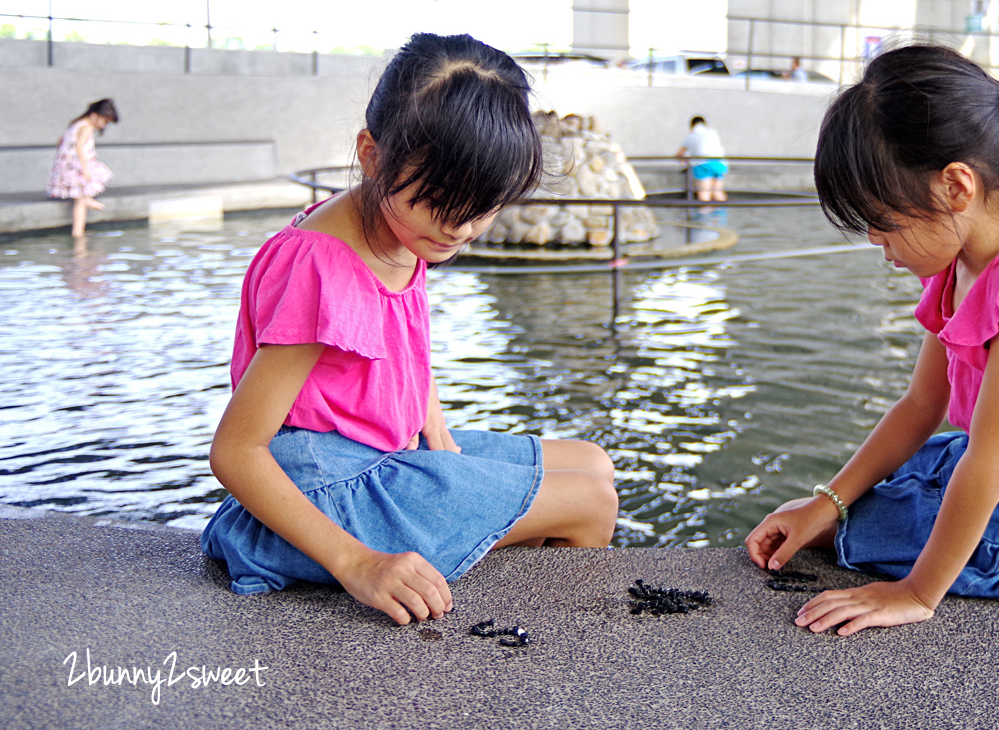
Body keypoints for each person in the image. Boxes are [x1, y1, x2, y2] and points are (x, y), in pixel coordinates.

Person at [201, 33, 618, 626]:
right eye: (442, 202)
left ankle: (475, 559)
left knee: (593, 461)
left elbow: (405, 350)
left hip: (378, 457)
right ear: (372, 154)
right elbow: (236, 450)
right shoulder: (323, 266)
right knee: (589, 500)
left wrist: (438, 436)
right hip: (325, 495)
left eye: (484, 206)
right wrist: (358, 564)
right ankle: (556, 658)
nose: (460, 229)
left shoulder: (399, 225)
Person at [746, 45, 999, 635]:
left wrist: (915, 593)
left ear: (955, 186)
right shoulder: (960, 263)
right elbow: (921, 405)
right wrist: (827, 500)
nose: (883, 251)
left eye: (885, 227)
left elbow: (992, 459)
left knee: (856, 535)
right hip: (988, 467)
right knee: (818, 515)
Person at [48, 98, 119, 238]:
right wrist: (85, 168)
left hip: (66, 164)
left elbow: (60, 141)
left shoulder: (75, 124)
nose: (103, 126)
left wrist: (61, 158)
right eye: (104, 121)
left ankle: (86, 205)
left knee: (81, 195)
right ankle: (78, 233)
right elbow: (79, 146)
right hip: (77, 164)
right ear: (94, 115)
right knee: (81, 199)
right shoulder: (87, 127)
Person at [675, 115, 728, 202]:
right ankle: (722, 214)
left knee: (704, 194)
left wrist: (683, 161)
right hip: (721, 164)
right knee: (718, 192)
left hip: (703, 164)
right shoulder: (713, 132)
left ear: (691, 126)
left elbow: (679, 155)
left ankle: (705, 214)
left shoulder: (690, 137)